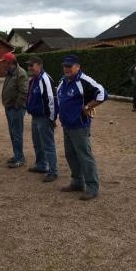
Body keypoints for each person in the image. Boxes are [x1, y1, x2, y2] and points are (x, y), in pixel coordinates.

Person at [57, 55, 106, 201]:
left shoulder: (84, 81)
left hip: (79, 125)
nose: (67, 68)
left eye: (70, 66)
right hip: (67, 125)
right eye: (65, 66)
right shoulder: (63, 81)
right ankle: (77, 182)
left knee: (85, 157)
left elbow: (102, 93)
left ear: (78, 66)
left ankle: (92, 187)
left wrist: (87, 107)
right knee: (70, 155)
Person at [25, 56, 59, 182]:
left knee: (48, 145)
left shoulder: (45, 79)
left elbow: (51, 99)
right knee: (37, 143)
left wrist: (52, 118)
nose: (29, 68)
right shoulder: (34, 79)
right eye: (28, 66)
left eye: (31, 65)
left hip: (44, 117)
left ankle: (53, 171)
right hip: (35, 116)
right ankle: (41, 165)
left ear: (39, 65)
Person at [0, 52, 28, 168]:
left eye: (4, 62)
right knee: (13, 133)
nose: (2, 64)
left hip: (16, 109)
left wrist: (17, 105)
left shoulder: (20, 73)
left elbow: (24, 92)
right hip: (9, 107)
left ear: (10, 62)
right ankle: (17, 155)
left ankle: (20, 158)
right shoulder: (10, 73)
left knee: (17, 134)